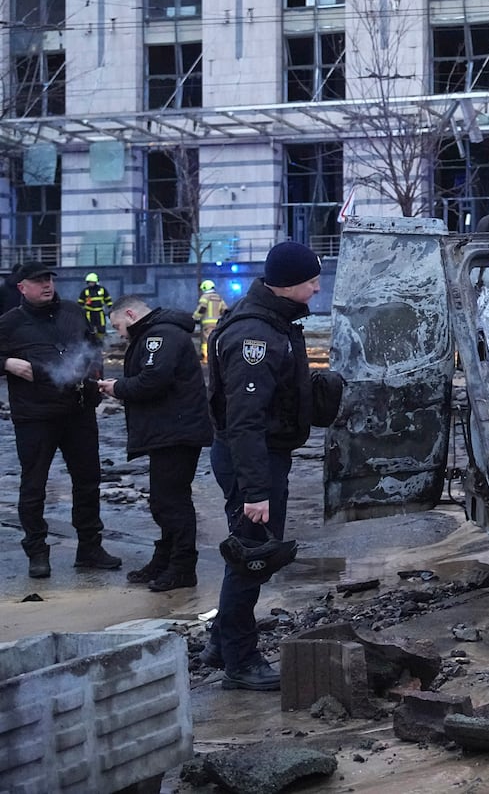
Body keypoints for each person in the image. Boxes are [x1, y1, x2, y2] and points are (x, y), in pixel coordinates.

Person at [204, 241, 343, 691]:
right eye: (311, 281)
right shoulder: (256, 336)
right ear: (287, 285)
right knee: (252, 558)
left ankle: (220, 642)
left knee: (250, 553)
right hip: (254, 459)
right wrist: (256, 491)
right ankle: (240, 662)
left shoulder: (275, 320)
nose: (317, 287)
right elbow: (244, 422)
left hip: (261, 455)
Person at [0, 261, 121, 579]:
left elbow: (93, 349)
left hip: (78, 412)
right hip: (35, 417)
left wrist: (95, 388)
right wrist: (7, 363)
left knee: (88, 481)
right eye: (38, 281)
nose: (46, 285)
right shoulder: (10, 323)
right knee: (33, 486)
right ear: (21, 287)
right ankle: (37, 551)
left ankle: (90, 548)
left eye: (49, 279)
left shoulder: (72, 311)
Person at [99, 295, 213, 592]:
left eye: (118, 326)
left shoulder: (160, 336)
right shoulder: (159, 332)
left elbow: (153, 379)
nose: (119, 333)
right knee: (163, 501)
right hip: (170, 430)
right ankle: (165, 559)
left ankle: (182, 567)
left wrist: (117, 388)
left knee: (172, 502)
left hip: (176, 431)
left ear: (129, 314)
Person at [193, 279, 226, 364]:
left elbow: (202, 309)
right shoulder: (219, 297)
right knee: (216, 339)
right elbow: (225, 310)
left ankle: (206, 358)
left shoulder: (205, 297)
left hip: (207, 323)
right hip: (218, 323)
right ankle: (216, 357)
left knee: (206, 340)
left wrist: (195, 317)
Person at [79, 272, 112, 339]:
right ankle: (91, 343)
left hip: (99, 312)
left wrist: (111, 307)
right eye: (89, 282)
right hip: (89, 313)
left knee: (101, 328)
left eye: (92, 282)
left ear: (95, 281)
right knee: (89, 328)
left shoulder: (102, 290)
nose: (90, 283)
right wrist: (79, 310)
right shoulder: (85, 291)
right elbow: (80, 302)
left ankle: (100, 342)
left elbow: (108, 299)